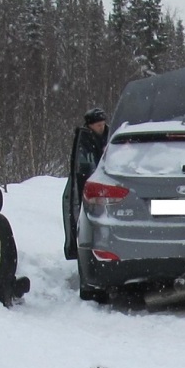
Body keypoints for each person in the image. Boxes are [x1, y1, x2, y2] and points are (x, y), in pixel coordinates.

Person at [63, 107, 110, 259]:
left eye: (103, 124)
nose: (101, 127)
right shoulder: (85, 140)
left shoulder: (109, 135)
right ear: (90, 125)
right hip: (89, 184)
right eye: (98, 125)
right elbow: (83, 167)